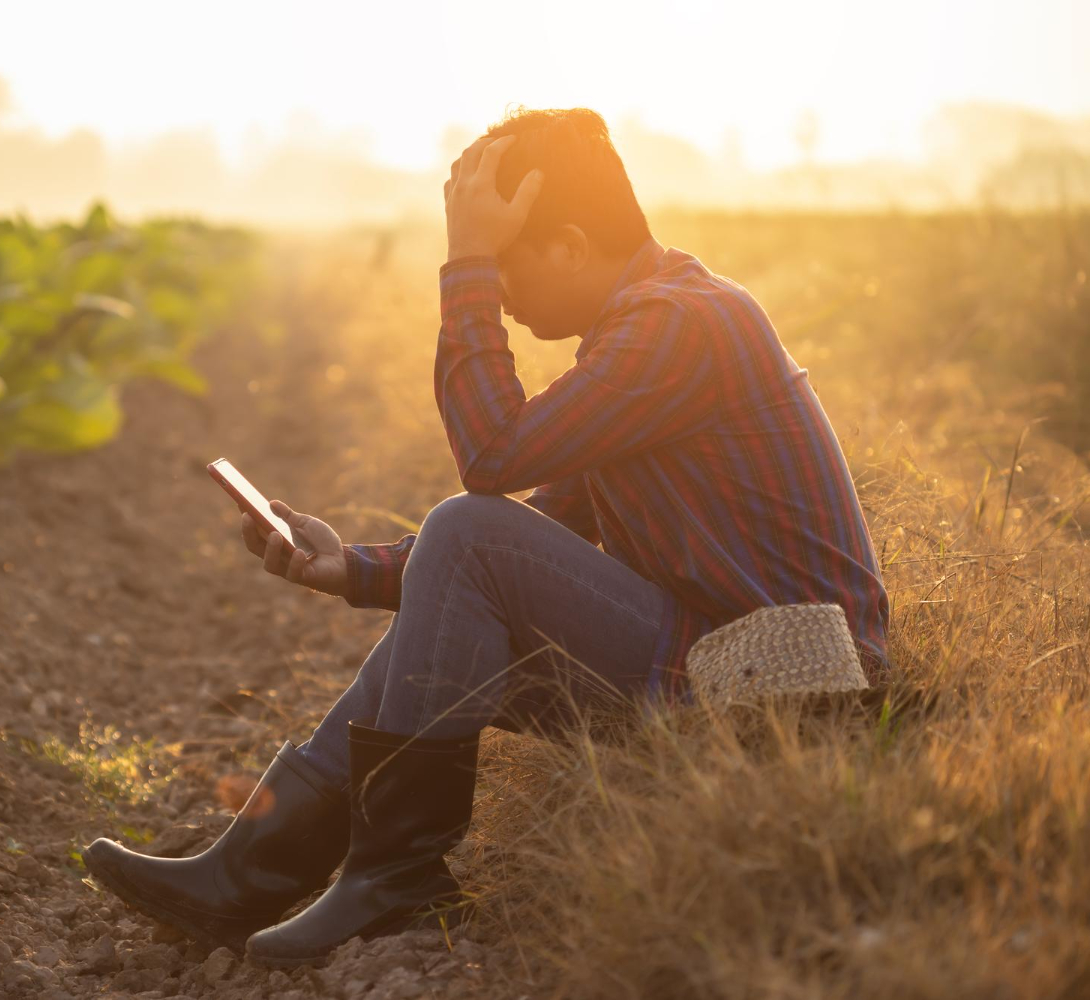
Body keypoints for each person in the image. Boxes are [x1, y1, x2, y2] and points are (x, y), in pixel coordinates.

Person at [82, 106, 892, 969]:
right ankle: (257, 870)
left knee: (463, 528)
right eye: (486, 271)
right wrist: (348, 567)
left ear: (572, 245)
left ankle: (389, 875)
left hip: (795, 675)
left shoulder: (682, 324)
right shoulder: (644, 328)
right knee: (462, 551)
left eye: (503, 264)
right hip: (723, 656)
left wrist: (461, 265)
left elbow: (492, 465)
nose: (495, 294)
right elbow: (538, 526)